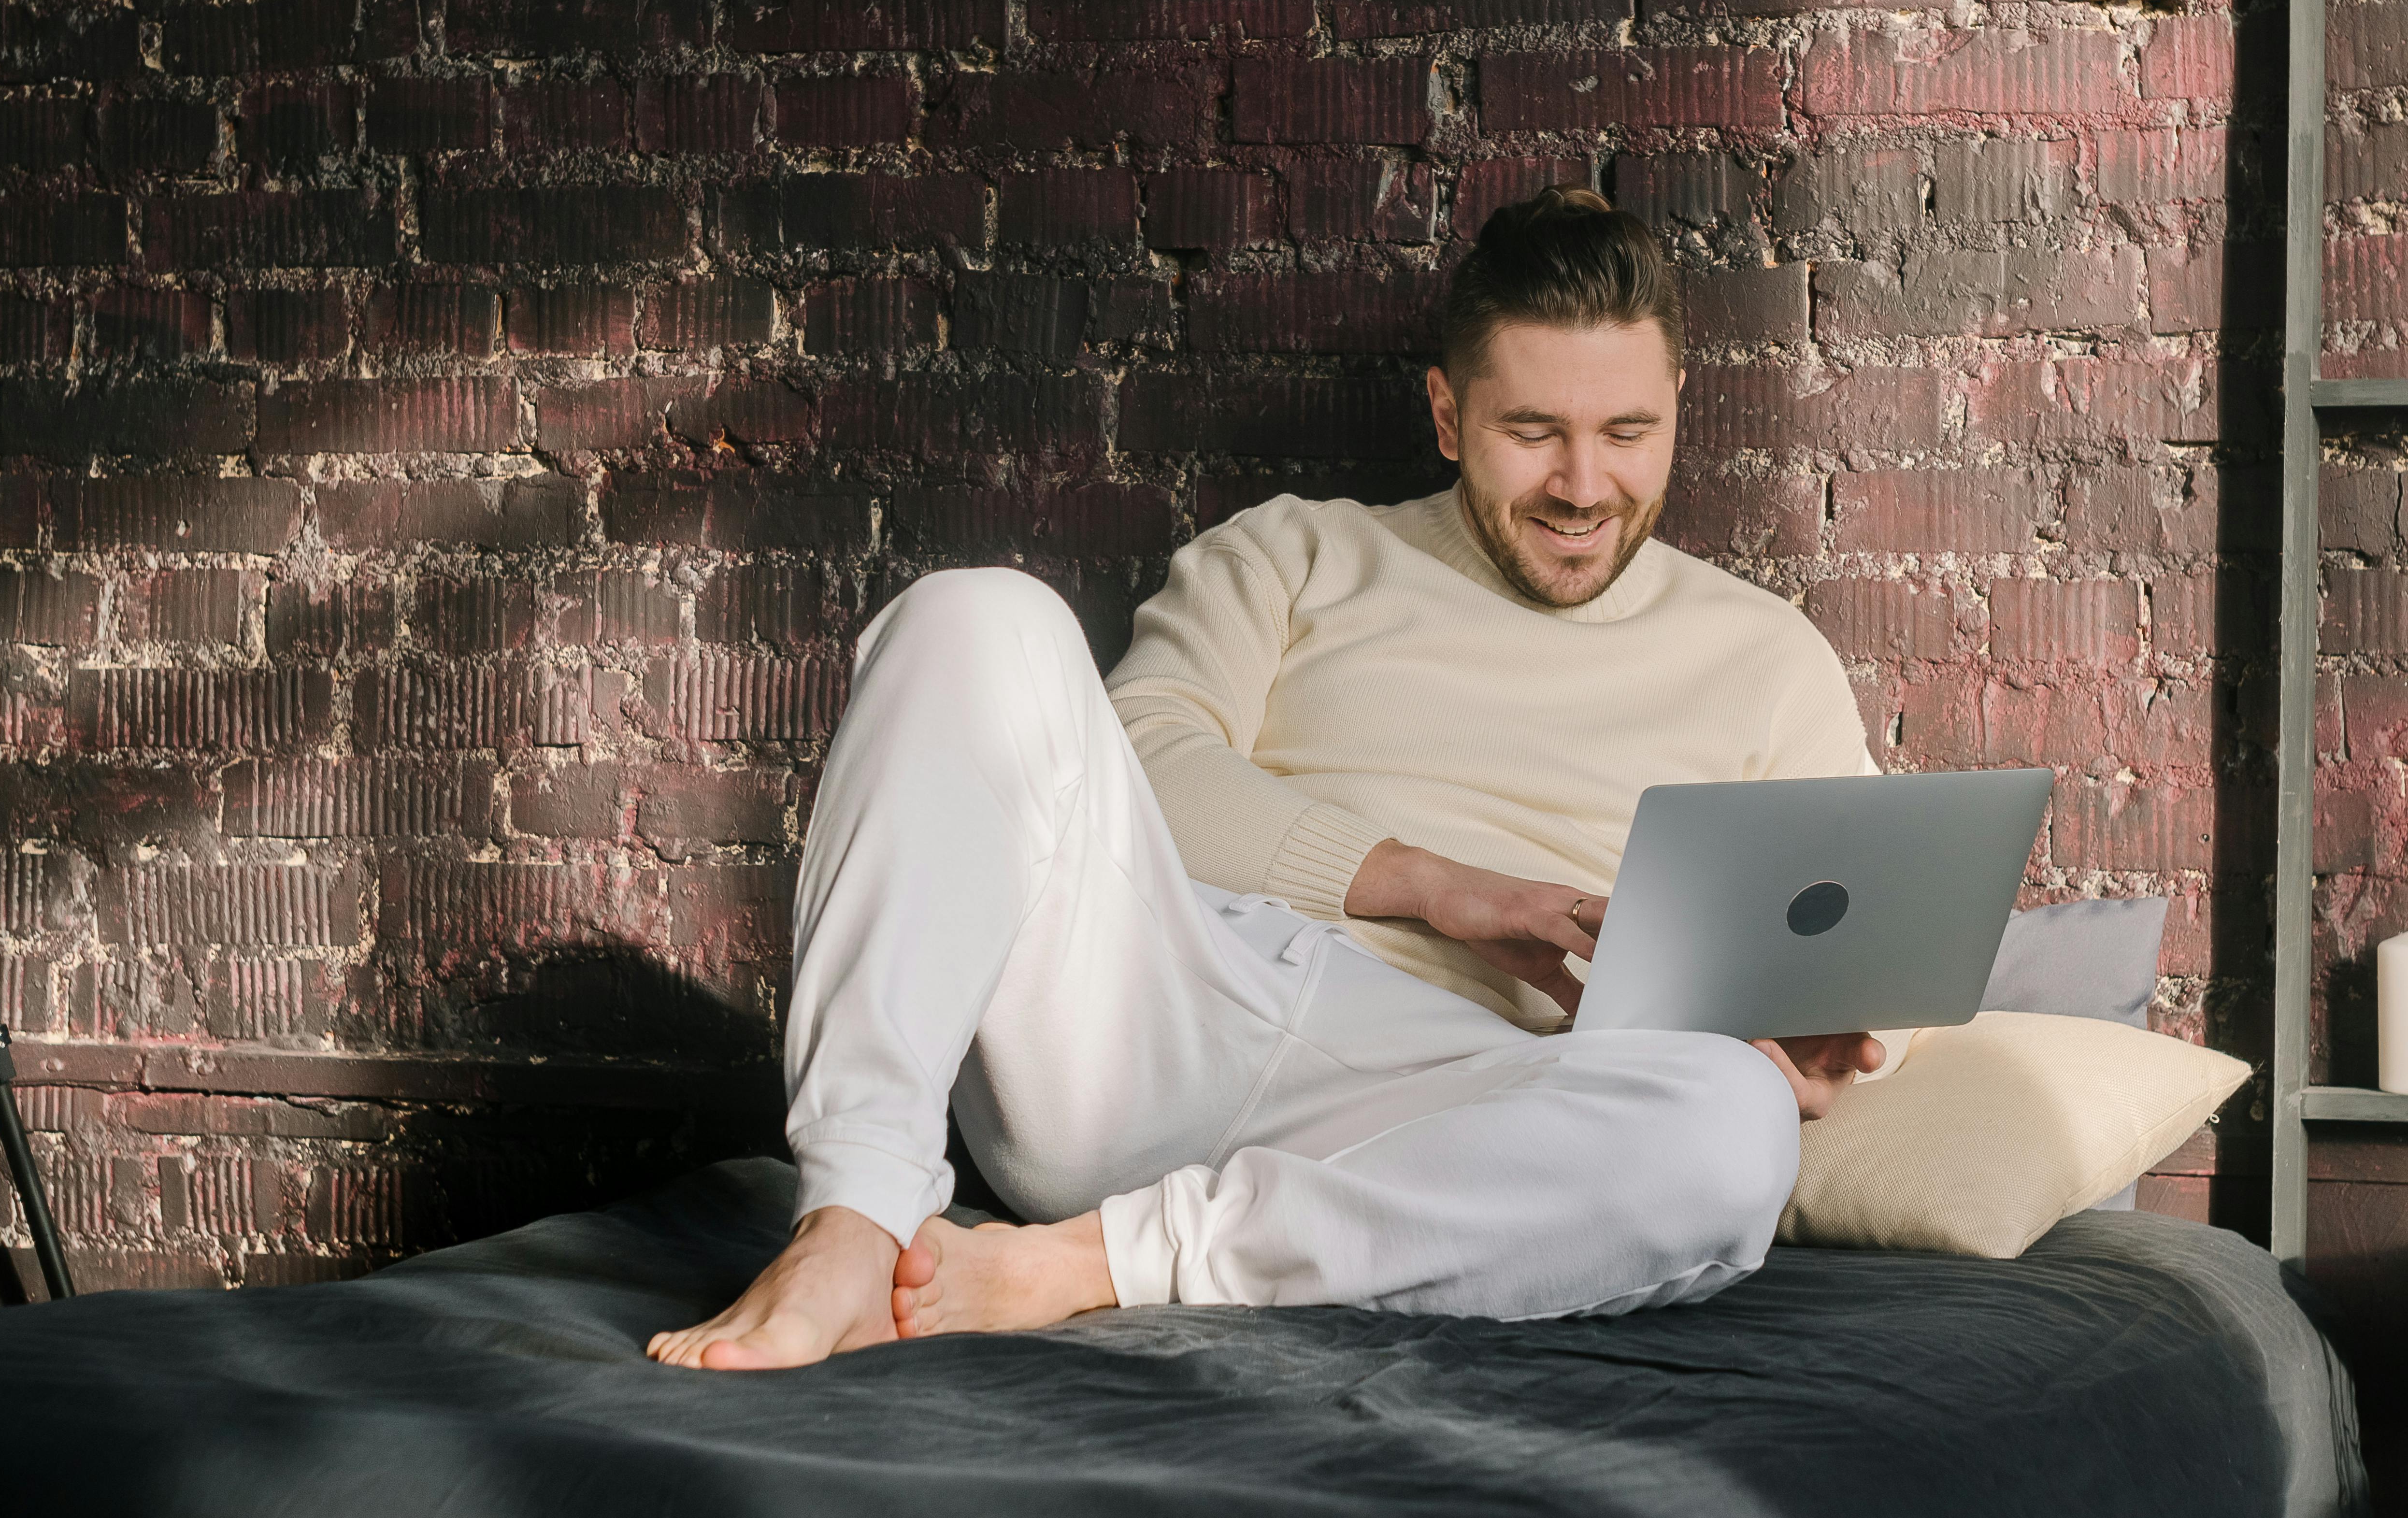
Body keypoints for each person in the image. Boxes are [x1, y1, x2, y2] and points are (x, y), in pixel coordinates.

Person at [651, 186, 1894, 1370]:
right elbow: (1144, 761)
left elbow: (1861, 940)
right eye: (1531, 433)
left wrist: (1812, 1040)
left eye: (1627, 433)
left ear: (1679, 404)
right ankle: (853, 1221)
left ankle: (1099, 1263)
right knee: (973, 617)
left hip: (1458, 1106)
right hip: (1176, 1009)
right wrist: (1435, 888)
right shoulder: (1296, 553)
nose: (1581, 486)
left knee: (1729, 1121)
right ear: (1448, 415)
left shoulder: (1767, 659)